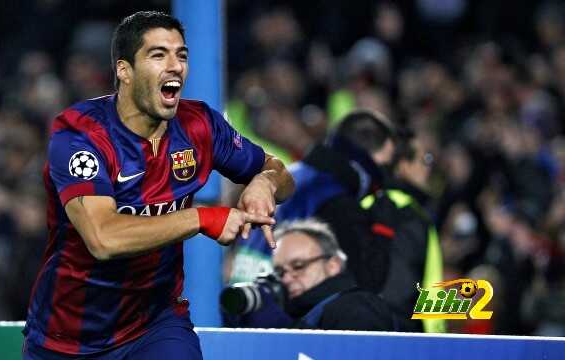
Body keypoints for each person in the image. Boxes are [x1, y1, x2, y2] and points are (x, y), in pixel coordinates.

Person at [22, 11, 294, 359]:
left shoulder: (200, 126)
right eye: (158, 54)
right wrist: (201, 218)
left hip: (154, 325)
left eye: (181, 55)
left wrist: (265, 183)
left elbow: (281, 174)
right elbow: (103, 238)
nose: (175, 66)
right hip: (67, 336)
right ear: (124, 70)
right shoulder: (80, 135)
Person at [229, 110, 397, 293]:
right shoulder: (336, 200)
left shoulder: (289, 176)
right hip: (283, 313)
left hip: (243, 299)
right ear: (367, 159)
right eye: (385, 166)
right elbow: (365, 283)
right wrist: (383, 230)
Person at [227, 219, 395, 330]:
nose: (286, 278)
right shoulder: (298, 313)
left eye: (299, 266)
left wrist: (284, 337)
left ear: (333, 265)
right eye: (280, 272)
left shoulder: (357, 306)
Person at [360, 128, 445, 333]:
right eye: (425, 158)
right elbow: (401, 288)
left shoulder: (362, 205)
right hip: (401, 340)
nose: (429, 167)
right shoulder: (410, 217)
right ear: (403, 166)